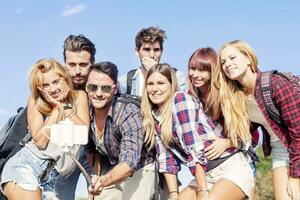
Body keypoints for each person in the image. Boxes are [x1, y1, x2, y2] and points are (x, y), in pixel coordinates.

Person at [141, 63, 254, 200]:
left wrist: (203, 190)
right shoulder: (155, 117)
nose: (155, 89)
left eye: (160, 83)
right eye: (150, 84)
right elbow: (166, 159)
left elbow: (195, 147)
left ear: (171, 85)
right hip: (205, 174)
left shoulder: (180, 100)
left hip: (229, 168)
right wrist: (173, 195)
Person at [216, 40, 300, 200]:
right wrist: (227, 142)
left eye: (232, 58)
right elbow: (248, 130)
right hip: (280, 150)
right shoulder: (238, 97)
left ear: (248, 58)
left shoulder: (276, 84)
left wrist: (295, 177)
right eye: (223, 62)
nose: (227, 64)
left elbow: (298, 134)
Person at [0, 59, 89, 200]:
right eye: (45, 85)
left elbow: (83, 133)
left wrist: (64, 106)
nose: (53, 89)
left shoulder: (79, 97)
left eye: (56, 82)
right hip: (26, 166)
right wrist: (55, 109)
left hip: (53, 178)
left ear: (64, 78)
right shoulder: (34, 100)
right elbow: (41, 142)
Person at [86, 62, 155, 199]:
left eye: (105, 88)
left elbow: (129, 163)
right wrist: (94, 183)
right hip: (113, 171)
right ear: (86, 87)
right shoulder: (85, 111)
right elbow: (92, 152)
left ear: (114, 89)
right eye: (93, 87)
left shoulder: (128, 111)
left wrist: (103, 181)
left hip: (141, 168)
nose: (98, 93)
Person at [55, 34, 98, 200]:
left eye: (83, 64)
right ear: (64, 63)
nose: (78, 70)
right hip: (65, 153)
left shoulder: (103, 86)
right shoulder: (54, 87)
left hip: (97, 155)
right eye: (72, 64)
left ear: (92, 64)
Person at [119, 26, 186, 95]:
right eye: (147, 49)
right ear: (137, 51)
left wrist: (157, 71)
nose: (152, 55)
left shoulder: (177, 76)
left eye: (156, 50)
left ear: (161, 51)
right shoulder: (126, 80)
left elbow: (180, 101)